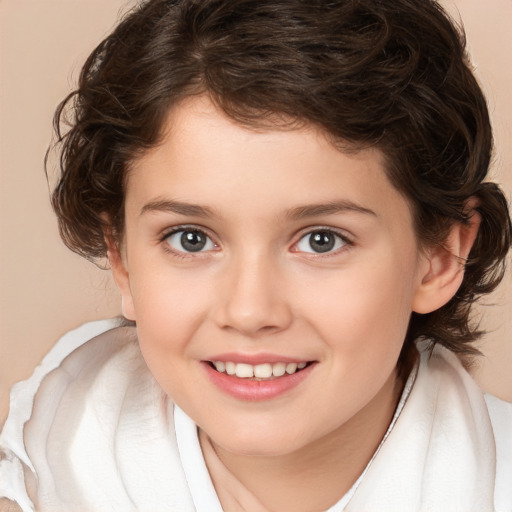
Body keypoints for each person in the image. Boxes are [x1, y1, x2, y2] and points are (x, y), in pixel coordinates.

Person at [1, 0, 511, 510]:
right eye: (191, 239)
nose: (249, 311)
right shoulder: (49, 463)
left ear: (440, 256)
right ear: (123, 258)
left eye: (321, 240)